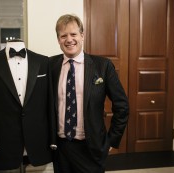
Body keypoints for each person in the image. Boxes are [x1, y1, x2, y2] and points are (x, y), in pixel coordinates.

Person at [49, 14, 129, 173]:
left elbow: (122, 106)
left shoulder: (103, 66)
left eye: (73, 34)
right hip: (60, 148)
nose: (69, 39)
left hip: (91, 149)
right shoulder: (50, 65)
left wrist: (111, 141)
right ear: (58, 39)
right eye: (63, 35)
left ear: (82, 36)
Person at [0, 39, 55, 172]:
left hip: (39, 145)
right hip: (2, 147)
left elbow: (50, 103)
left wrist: (53, 140)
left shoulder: (43, 62)